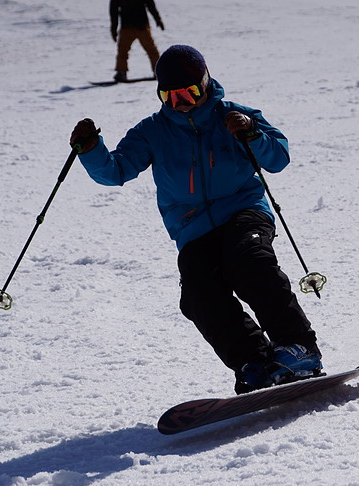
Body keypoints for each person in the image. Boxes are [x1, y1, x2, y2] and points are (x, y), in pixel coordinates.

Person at [70, 45, 323, 394]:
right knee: (198, 294)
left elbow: (278, 158)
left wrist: (251, 133)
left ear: (204, 83)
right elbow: (115, 171)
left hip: (243, 210)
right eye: (169, 96)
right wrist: (91, 149)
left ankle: (299, 348)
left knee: (248, 262)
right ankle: (255, 360)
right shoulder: (152, 131)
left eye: (187, 93)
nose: (180, 102)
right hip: (191, 227)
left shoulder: (235, 116)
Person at [109, 0, 164, 82]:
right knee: (123, 51)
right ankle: (121, 72)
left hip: (140, 26)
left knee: (151, 49)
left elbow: (150, 5)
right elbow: (114, 11)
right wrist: (114, 28)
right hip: (129, 27)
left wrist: (158, 19)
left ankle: (158, 71)